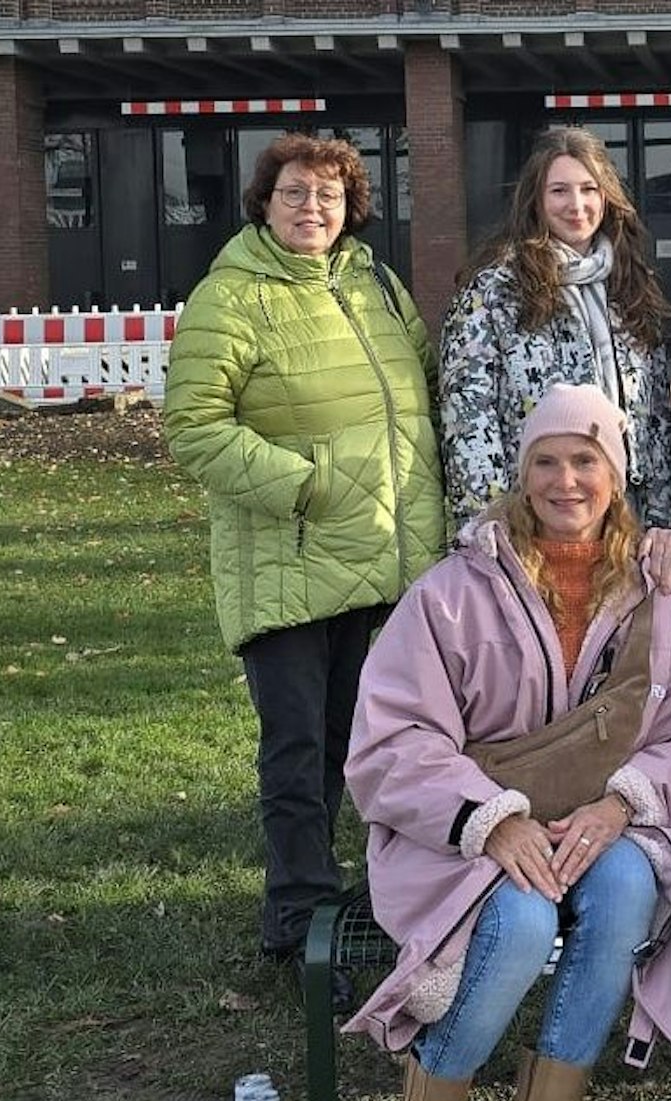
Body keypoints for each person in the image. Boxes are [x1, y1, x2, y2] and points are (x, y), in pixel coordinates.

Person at [342, 384, 671, 1101]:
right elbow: (392, 739)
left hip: (607, 817)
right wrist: (490, 820)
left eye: (586, 461)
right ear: (522, 475)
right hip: (462, 828)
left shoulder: (658, 592)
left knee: (626, 892)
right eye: (546, 462)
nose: (566, 481)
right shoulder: (452, 593)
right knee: (521, 926)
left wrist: (622, 805)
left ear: (616, 475)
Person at [164, 133, 444, 973]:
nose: (311, 208)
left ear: (350, 206)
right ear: (265, 202)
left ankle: (357, 895)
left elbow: (424, 392)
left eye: (328, 195)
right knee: (296, 748)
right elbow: (194, 426)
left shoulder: (376, 285)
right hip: (288, 556)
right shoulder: (231, 295)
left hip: (382, 555)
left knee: (360, 741)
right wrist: (303, 486)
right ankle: (298, 915)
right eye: (295, 192)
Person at [440, 126, 671, 528]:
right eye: (559, 191)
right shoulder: (494, 292)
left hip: (623, 514)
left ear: (606, 197)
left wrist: (659, 524)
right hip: (533, 515)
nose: (576, 204)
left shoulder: (630, 287)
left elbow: (654, 422)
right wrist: (490, 526)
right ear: (535, 200)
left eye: (589, 189)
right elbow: (468, 421)